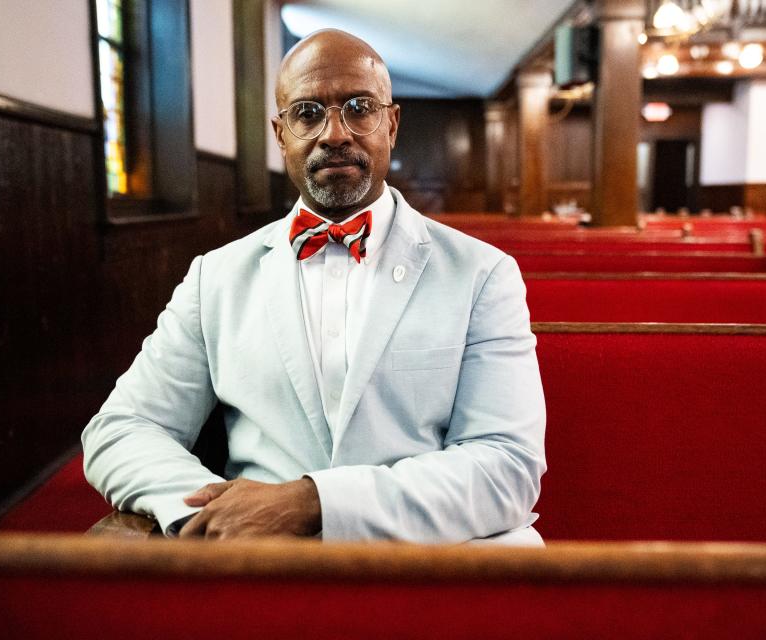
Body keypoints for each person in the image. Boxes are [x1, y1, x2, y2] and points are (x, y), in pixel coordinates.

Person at [82, 29, 546, 544]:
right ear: (281, 136)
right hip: (257, 564)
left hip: (434, 558)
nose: (334, 134)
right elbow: (122, 428)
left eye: (359, 107)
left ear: (391, 124)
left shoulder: (483, 273)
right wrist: (216, 513)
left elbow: (508, 465)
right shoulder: (215, 276)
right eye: (307, 112)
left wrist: (312, 503)